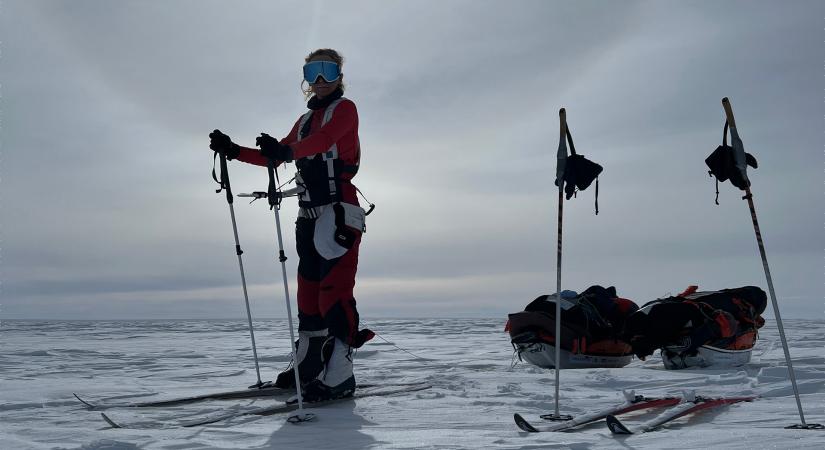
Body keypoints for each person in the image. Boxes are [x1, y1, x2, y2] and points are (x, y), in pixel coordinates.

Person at [208, 48, 373, 402]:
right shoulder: (303, 122)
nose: (319, 81)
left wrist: (286, 152)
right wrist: (234, 150)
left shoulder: (345, 110)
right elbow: (279, 153)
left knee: (335, 294)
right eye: (313, 72)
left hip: (340, 216)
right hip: (309, 219)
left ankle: (341, 375)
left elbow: (324, 141)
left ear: (339, 75)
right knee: (309, 298)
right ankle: (309, 365)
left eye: (327, 71)